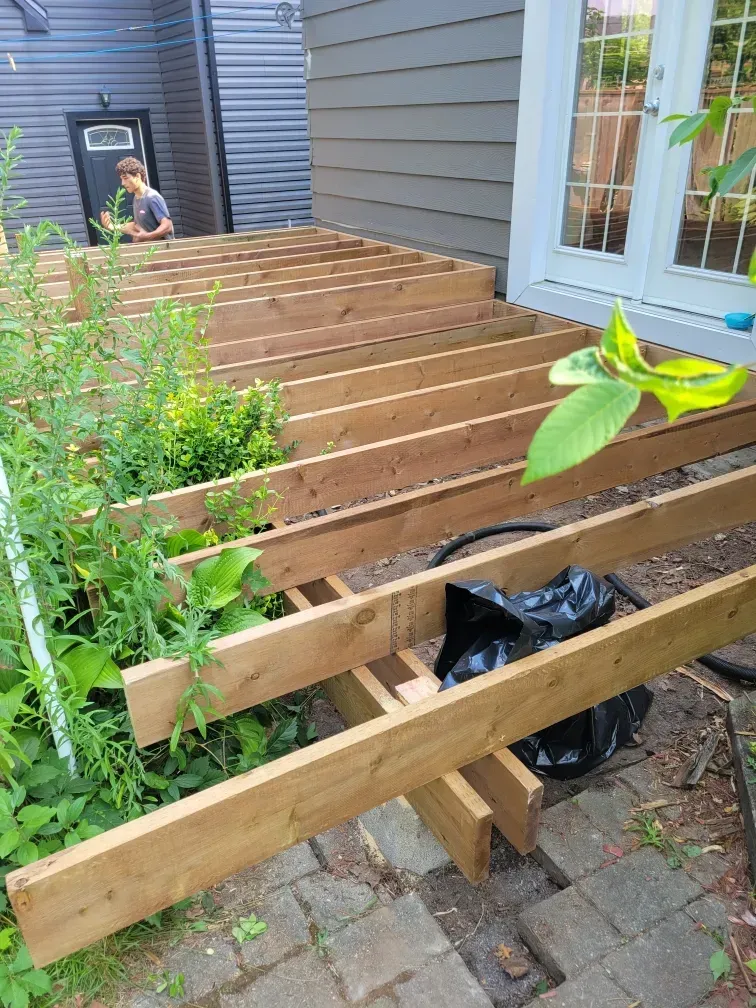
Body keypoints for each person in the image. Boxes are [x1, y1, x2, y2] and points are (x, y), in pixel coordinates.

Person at [99, 156, 174, 243]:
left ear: (137, 176)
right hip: (148, 251)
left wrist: (147, 236)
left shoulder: (152, 197)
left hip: (163, 251)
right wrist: (112, 226)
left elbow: (167, 226)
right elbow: (136, 226)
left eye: (126, 178)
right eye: (121, 179)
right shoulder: (136, 198)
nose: (123, 183)